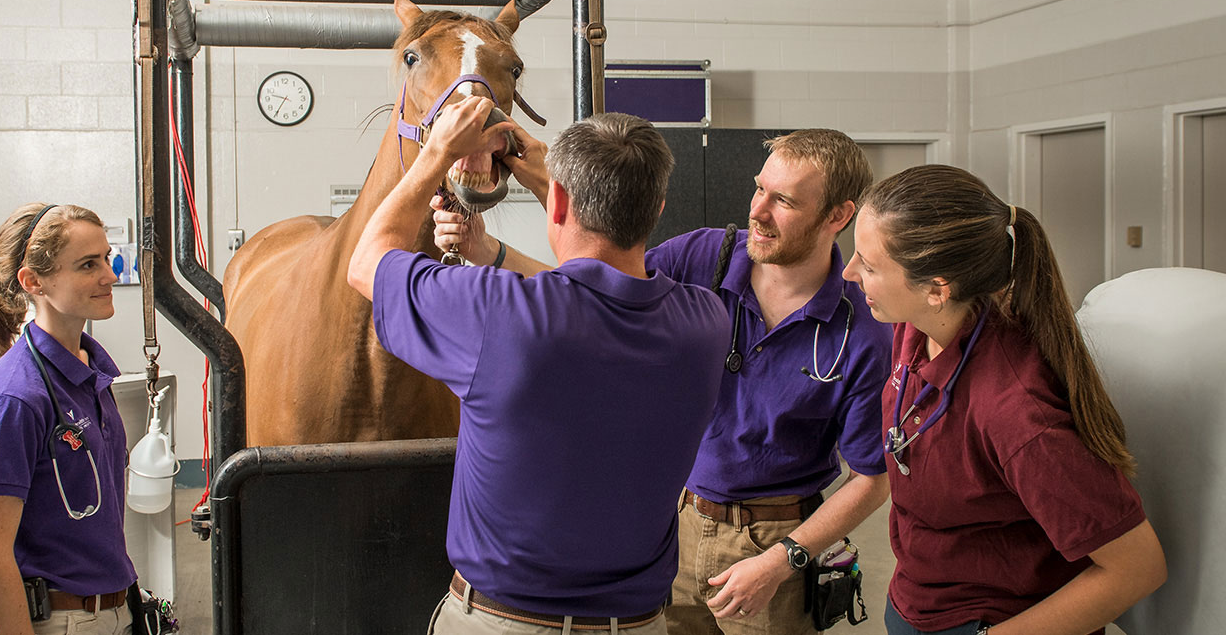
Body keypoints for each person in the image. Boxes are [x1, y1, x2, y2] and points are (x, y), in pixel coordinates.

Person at [437, 129, 893, 634]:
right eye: (759, 188)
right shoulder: (704, 256)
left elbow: (873, 478)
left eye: (783, 201)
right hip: (676, 526)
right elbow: (587, 295)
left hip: (776, 540)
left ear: (838, 216)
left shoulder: (863, 330)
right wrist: (487, 249)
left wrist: (783, 561)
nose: (759, 212)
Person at [349, 102, 729, 634]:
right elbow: (599, 291)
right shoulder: (705, 323)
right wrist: (491, 248)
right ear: (658, 207)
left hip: (503, 622)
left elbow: (366, 262)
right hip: (641, 624)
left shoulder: (494, 313)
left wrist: (437, 152)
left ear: (557, 202)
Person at [842, 164, 1166, 635]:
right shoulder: (914, 328)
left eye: (868, 265)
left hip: (990, 619)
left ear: (937, 289)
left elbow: (1138, 567)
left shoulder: (1018, 413)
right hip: (919, 597)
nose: (850, 272)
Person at [0, 203, 136, 635]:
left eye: (106, 258)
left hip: (114, 610)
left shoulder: (89, 372)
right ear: (33, 281)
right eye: (87, 265)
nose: (109, 275)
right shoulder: (16, 398)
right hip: (57, 622)